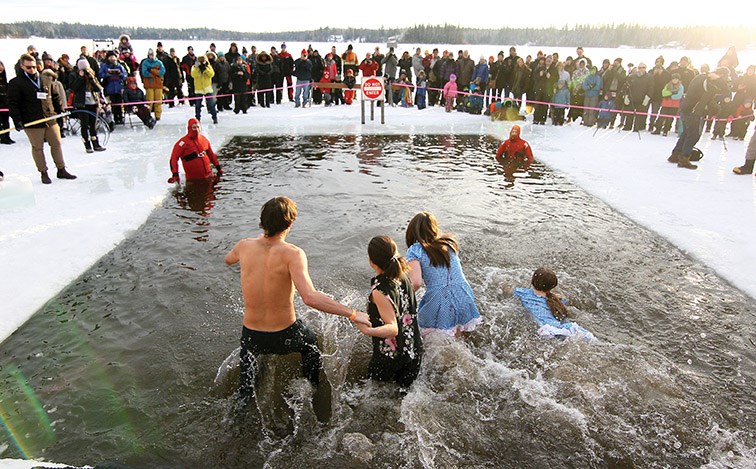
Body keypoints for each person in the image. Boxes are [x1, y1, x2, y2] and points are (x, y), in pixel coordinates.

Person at [224, 197, 370, 402]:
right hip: (286, 334)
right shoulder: (293, 254)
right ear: (290, 224)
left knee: (245, 390)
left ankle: (244, 406)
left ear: (262, 222)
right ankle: (310, 390)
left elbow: (228, 259)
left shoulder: (244, 246)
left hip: (251, 335)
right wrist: (353, 313)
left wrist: (251, 247)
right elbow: (310, 297)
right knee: (311, 345)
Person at [354, 235, 423, 387]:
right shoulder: (403, 275)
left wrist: (367, 330)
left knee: (374, 399)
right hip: (414, 352)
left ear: (371, 261)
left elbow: (393, 328)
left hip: (390, 359)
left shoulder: (379, 291)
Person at [405, 212, 482, 335]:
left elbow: (416, 282)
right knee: (457, 330)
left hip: (439, 298)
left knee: (427, 334)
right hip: (463, 292)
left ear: (412, 231)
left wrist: (402, 297)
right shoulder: (448, 244)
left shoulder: (415, 250)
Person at [7, 53, 76, 184]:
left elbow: (55, 97)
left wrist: (60, 112)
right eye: (28, 67)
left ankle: (61, 169)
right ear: (22, 66)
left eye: (34, 66)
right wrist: (17, 121)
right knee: (38, 148)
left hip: (50, 118)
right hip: (32, 121)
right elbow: (13, 104)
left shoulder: (45, 79)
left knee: (56, 144)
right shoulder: (16, 83)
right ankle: (43, 172)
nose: (32, 69)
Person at [668, 68, 730, 169]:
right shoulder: (709, 81)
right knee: (693, 135)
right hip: (693, 110)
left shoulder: (701, 77)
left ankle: (675, 154)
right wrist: (719, 80)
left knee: (686, 133)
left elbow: (706, 97)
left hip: (686, 108)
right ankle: (684, 159)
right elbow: (725, 91)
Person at [512, 267, 596, 341]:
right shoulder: (557, 300)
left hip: (546, 329)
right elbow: (564, 301)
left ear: (533, 281)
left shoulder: (522, 293)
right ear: (552, 286)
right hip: (562, 327)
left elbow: (509, 291)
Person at [168, 118, 222, 183]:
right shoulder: (182, 143)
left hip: (208, 175)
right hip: (194, 179)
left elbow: (211, 154)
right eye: (194, 127)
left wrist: (218, 167)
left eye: (198, 127)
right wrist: (175, 174)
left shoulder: (203, 139)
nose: (196, 129)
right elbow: (173, 158)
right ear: (189, 128)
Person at [71, 58, 106, 153]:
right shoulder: (74, 75)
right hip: (81, 104)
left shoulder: (92, 75)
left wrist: (91, 79)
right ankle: (87, 144)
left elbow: (98, 88)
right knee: (85, 124)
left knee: (93, 124)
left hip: (93, 103)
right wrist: (80, 78)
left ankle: (96, 143)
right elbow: (74, 88)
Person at [98, 51, 128, 125]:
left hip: (118, 87)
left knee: (119, 103)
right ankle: (114, 118)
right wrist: (107, 75)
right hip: (109, 88)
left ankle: (120, 118)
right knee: (112, 104)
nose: (112, 58)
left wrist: (120, 74)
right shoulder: (104, 66)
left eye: (113, 57)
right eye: (110, 57)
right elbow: (100, 75)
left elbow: (125, 75)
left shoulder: (119, 66)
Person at [191, 54, 218, 124]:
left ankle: (214, 117)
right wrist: (197, 68)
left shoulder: (208, 67)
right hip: (199, 89)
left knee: (211, 104)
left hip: (207, 89)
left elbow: (212, 74)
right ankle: (197, 118)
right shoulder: (194, 67)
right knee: (198, 105)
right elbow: (193, 75)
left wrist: (205, 69)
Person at [140, 49, 166, 121]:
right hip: (149, 84)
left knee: (158, 101)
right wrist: (155, 74)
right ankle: (148, 116)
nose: (151, 56)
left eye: (152, 55)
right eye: (150, 55)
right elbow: (144, 72)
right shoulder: (145, 62)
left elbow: (162, 72)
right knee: (149, 101)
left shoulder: (159, 62)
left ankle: (158, 116)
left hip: (158, 85)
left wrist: (152, 70)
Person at [0, 60, 14, 145]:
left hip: (5, 104)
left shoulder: (5, 79)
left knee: (6, 121)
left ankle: (7, 136)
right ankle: (2, 137)